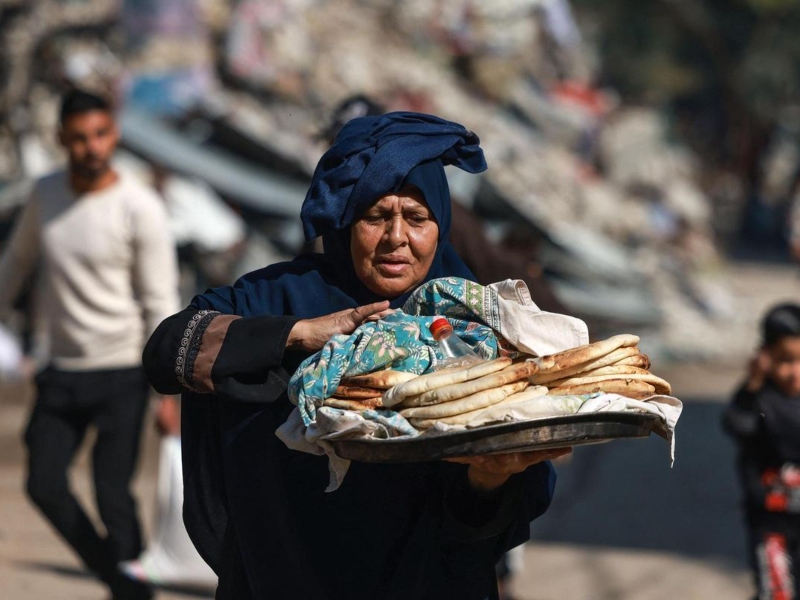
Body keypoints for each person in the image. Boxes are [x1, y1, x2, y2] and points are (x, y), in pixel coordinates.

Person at [143, 111, 570, 600]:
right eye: (375, 216)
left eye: (416, 217)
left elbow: (495, 516)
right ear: (346, 221)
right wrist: (299, 335)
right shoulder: (277, 298)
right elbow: (167, 352)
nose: (396, 238)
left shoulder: (479, 322)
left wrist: (488, 480)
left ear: (442, 225)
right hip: (283, 577)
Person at [0, 88, 180, 600]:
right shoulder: (45, 195)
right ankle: (120, 580)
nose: (91, 147)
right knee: (43, 485)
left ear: (115, 134)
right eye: (78, 138)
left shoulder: (140, 206)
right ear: (61, 140)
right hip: (60, 370)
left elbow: (159, 299)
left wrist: (170, 390)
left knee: (112, 495)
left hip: (122, 370)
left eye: (100, 134)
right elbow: (15, 264)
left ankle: (130, 589)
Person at [722, 304, 800, 600]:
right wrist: (753, 383)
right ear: (765, 357)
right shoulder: (757, 398)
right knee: (775, 593)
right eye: (785, 361)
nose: (795, 372)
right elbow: (737, 425)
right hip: (770, 525)